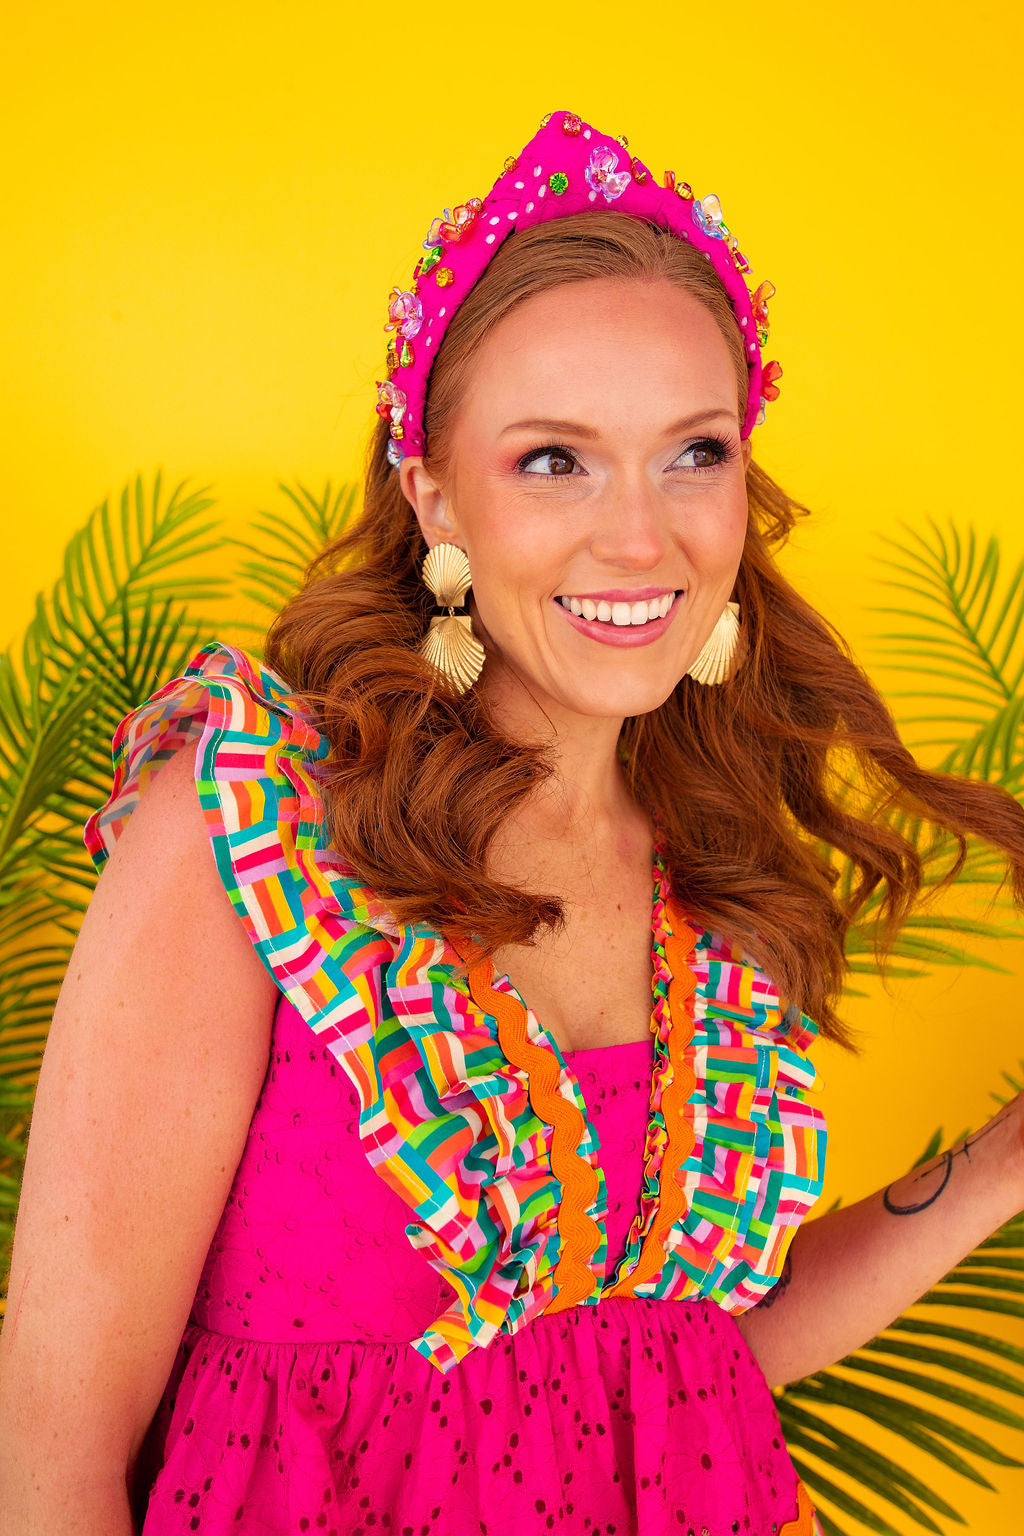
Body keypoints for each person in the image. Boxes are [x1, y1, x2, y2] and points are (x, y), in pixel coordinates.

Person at [1, 108, 1023, 1536]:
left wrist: (1011, 1158)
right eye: (554, 460)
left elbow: (677, 1352)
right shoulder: (254, 822)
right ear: (434, 497)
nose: (641, 536)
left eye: (695, 452)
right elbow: (54, 1460)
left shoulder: (713, 861)